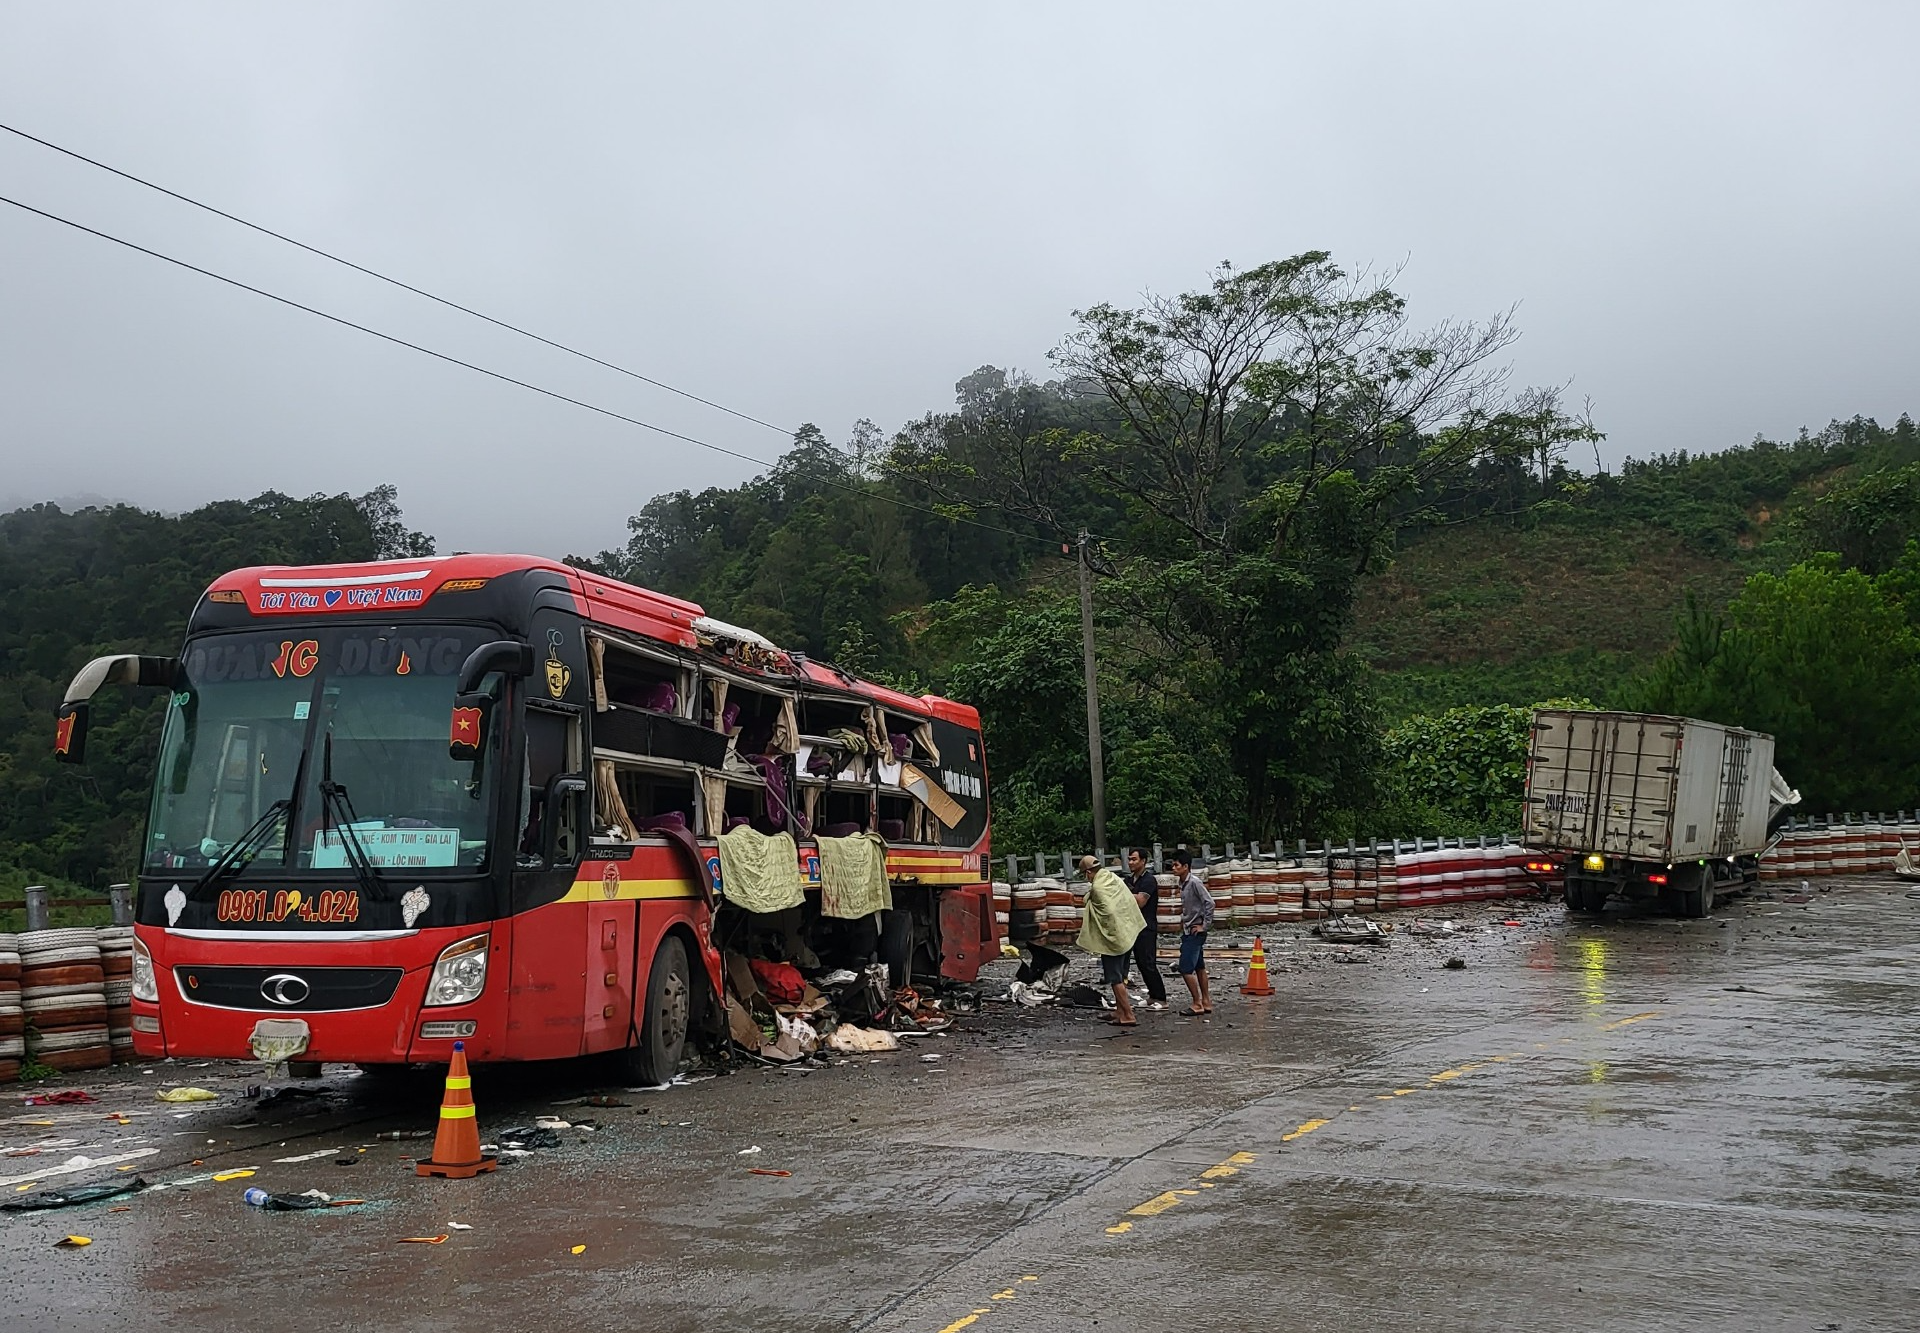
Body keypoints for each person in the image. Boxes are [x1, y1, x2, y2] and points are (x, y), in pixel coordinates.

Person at [1076, 853, 1147, 1027]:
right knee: (1121, 975)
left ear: (1089, 873)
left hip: (1114, 939)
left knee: (1114, 978)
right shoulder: (1112, 877)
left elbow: (1107, 913)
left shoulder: (1098, 888)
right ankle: (1120, 1010)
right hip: (1127, 932)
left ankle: (1128, 1015)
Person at [1124, 847, 1169, 1010]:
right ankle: (1152, 995)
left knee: (1149, 963)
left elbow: (1140, 901)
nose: (1130, 862)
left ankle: (1162, 998)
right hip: (1133, 926)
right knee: (1141, 963)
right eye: (1129, 859)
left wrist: (1127, 892)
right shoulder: (1130, 880)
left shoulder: (1148, 880)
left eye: (1134, 859)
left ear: (1143, 861)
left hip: (1146, 927)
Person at [1172, 849, 1214, 1015]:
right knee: (1199, 966)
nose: (1173, 868)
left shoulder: (1194, 883)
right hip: (1190, 928)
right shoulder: (1183, 884)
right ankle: (1206, 1001)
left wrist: (1204, 925)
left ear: (1185, 866)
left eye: (1176, 865)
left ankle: (1197, 1003)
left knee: (1185, 968)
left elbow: (1209, 903)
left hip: (1195, 931)